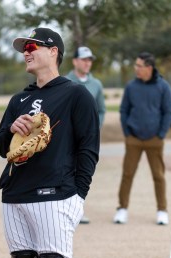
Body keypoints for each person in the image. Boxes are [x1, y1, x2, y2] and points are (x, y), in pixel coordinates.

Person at [0, 28, 100, 258]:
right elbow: (2, 146)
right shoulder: (18, 100)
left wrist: (78, 193)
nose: (25, 52)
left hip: (55, 194)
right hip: (15, 193)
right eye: (23, 48)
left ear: (53, 51)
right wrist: (13, 128)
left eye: (32, 47)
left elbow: (88, 148)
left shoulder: (75, 95)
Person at [113, 52, 171, 225]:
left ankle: (162, 211)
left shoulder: (163, 87)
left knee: (158, 176)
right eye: (136, 65)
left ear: (149, 68)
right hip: (133, 138)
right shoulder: (131, 86)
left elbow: (168, 112)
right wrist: (127, 132)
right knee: (127, 174)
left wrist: (161, 134)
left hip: (155, 139)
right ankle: (122, 209)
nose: (136, 68)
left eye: (139, 66)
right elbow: (124, 110)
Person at [65, 46, 106, 224]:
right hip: (67, 137)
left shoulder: (96, 84)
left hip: (87, 138)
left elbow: (101, 110)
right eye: (84, 59)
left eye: (89, 60)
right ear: (75, 61)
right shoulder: (64, 81)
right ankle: (65, 208)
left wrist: (94, 129)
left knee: (84, 172)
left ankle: (78, 209)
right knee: (66, 171)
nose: (87, 63)